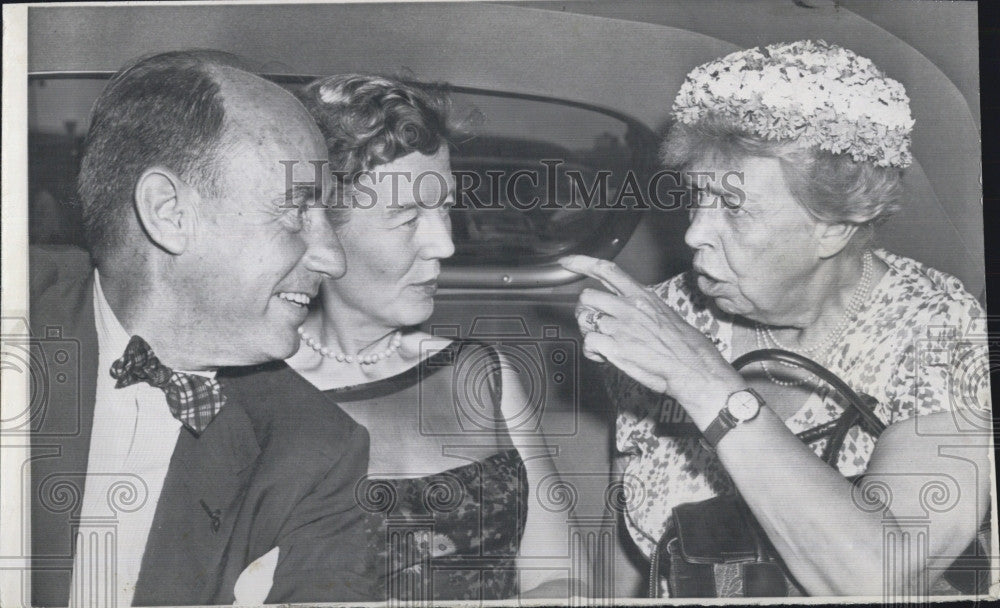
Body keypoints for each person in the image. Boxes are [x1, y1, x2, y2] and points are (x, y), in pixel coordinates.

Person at [560, 40, 991, 597]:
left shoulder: (940, 329)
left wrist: (705, 382)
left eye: (734, 209)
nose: (693, 233)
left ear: (833, 224)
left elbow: (884, 576)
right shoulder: (668, 316)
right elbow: (629, 550)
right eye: (696, 198)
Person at [29, 50, 374, 606]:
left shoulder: (317, 453)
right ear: (168, 213)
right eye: (296, 210)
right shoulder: (19, 310)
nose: (333, 259)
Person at [287, 73, 585, 600]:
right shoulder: (254, 394)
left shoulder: (483, 372)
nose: (444, 245)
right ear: (321, 230)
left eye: (444, 207)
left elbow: (563, 578)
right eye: (407, 218)